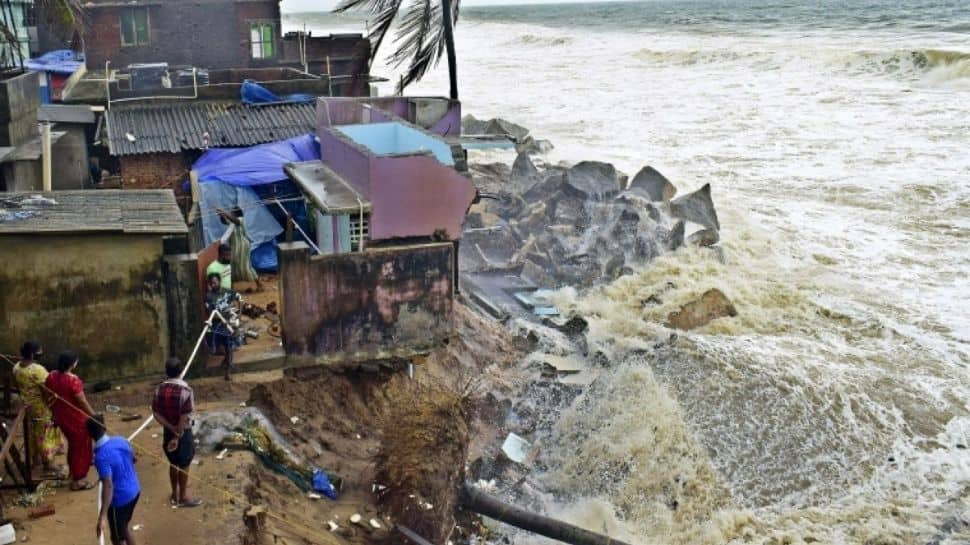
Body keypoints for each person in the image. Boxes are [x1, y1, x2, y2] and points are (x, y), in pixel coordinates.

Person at [151, 358, 201, 507]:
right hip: (183, 432)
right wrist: (177, 434)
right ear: (181, 371)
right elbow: (184, 417)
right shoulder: (186, 391)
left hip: (168, 430)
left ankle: (174, 494)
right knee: (184, 464)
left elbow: (156, 413)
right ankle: (184, 496)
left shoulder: (159, 389)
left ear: (166, 372)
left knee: (173, 463)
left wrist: (170, 429)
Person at [12, 341, 65, 477]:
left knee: (33, 432)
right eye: (39, 352)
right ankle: (48, 464)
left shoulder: (17, 367)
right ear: (32, 354)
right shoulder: (38, 370)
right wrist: (52, 404)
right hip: (40, 406)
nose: (40, 354)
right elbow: (46, 390)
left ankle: (35, 460)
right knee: (45, 433)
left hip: (27, 405)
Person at [45, 350, 97, 490]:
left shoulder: (51, 376)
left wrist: (54, 410)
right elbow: (82, 401)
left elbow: (47, 394)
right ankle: (78, 480)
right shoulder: (73, 380)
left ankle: (74, 473)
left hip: (61, 417)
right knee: (80, 447)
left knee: (74, 446)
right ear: (72, 364)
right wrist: (94, 415)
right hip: (75, 418)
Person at [89, 417, 140, 545]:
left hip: (120, 500)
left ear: (89, 434)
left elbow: (109, 486)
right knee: (124, 528)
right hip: (135, 490)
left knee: (117, 538)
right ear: (104, 427)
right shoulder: (121, 440)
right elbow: (134, 459)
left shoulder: (101, 457)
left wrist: (103, 516)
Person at [205, 272, 239, 380]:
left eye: (215, 282)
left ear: (219, 281)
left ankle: (228, 372)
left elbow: (239, 298)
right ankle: (226, 361)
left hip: (228, 325)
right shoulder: (209, 296)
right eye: (212, 283)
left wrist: (239, 314)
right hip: (217, 326)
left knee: (229, 347)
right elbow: (210, 312)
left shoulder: (227, 292)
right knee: (216, 348)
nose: (214, 285)